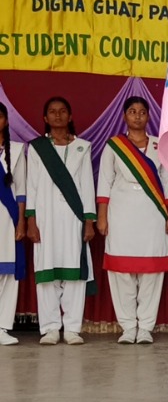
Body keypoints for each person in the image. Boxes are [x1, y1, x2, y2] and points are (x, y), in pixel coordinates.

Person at [96, 96, 168, 345]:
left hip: (153, 214)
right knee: (121, 272)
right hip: (120, 214)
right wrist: (102, 217)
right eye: (132, 111)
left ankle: (145, 328)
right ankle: (128, 327)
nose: (137, 116)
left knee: (151, 274)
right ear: (124, 116)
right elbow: (104, 182)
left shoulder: (159, 146)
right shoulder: (114, 146)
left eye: (142, 112)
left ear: (148, 116)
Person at [25, 96, 96, 346]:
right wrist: (31, 221)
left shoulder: (82, 147)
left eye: (62, 111)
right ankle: (51, 328)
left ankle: (73, 328)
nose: (57, 115)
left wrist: (89, 221)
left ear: (70, 116)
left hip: (73, 218)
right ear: (45, 118)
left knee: (74, 274)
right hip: (45, 218)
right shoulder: (36, 148)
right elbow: (30, 186)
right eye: (52, 112)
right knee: (47, 273)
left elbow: (87, 185)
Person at [0, 102, 26, 346]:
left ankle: (2, 326)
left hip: (7, 220)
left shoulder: (17, 150)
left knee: (7, 274)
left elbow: (21, 192)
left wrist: (20, 223)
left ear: (5, 121)